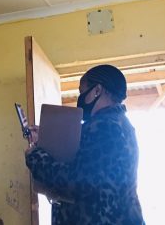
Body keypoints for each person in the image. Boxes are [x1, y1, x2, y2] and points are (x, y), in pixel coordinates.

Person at [25, 65, 144, 225]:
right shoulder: (119, 123)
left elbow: (78, 182)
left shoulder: (104, 126)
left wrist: (36, 158)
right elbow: (88, 164)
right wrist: (46, 138)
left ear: (97, 90)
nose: (80, 98)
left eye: (82, 92)